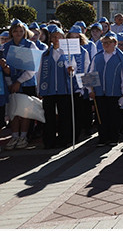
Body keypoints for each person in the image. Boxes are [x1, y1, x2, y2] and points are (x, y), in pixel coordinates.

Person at [88, 33, 123, 146]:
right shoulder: (97, 57)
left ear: (115, 43)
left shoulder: (121, 58)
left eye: (109, 42)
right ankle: (103, 138)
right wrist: (90, 90)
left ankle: (114, 138)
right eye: (104, 43)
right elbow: (91, 73)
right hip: (99, 92)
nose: (106, 45)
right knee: (101, 116)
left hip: (114, 92)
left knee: (114, 116)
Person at [37, 25, 79, 149]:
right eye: (54, 36)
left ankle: (63, 139)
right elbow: (40, 72)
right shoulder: (45, 54)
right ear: (50, 38)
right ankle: (49, 140)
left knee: (64, 116)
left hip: (63, 89)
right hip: (49, 90)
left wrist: (71, 70)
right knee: (49, 116)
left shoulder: (67, 53)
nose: (56, 39)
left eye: (59, 37)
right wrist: (39, 89)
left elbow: (74, 68)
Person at [2, 19, 41, 150]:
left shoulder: (30, 45)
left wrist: (19, 81)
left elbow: (33, 68)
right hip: (11, 85)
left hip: (27, 83)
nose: (18, 33)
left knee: (25, 111)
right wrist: (10, 83)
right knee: (13, 112)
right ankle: (14, 136)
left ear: (25, 32)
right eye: (15, 31)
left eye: (21, 31)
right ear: (11, 32)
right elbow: (5, 68)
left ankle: (23, 137)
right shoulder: (6, 47)